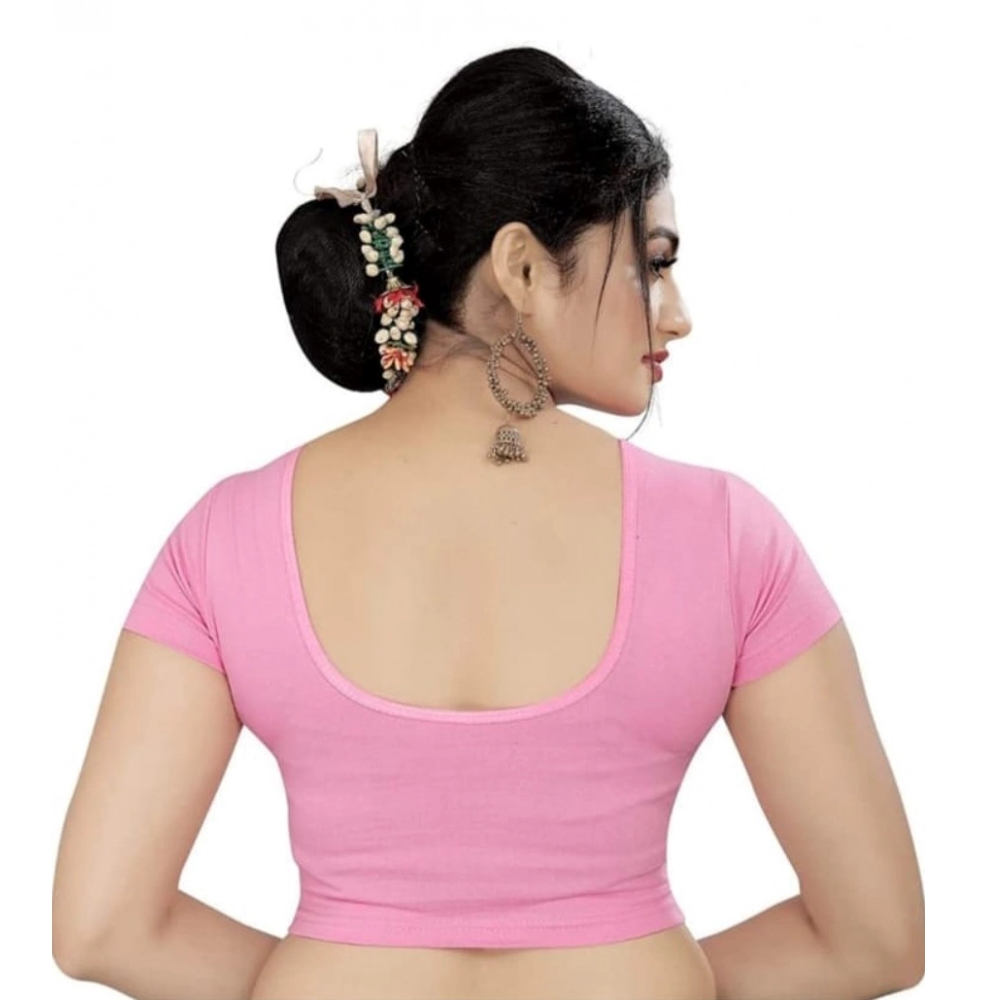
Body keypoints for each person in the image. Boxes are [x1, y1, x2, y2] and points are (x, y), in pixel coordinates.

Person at [52, 45, 924, 1000]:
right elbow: (871, 942)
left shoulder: (227, 537)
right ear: (521, 266)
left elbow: (105, 929)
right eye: (652, 265)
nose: (677, 316)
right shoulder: (728, 536)